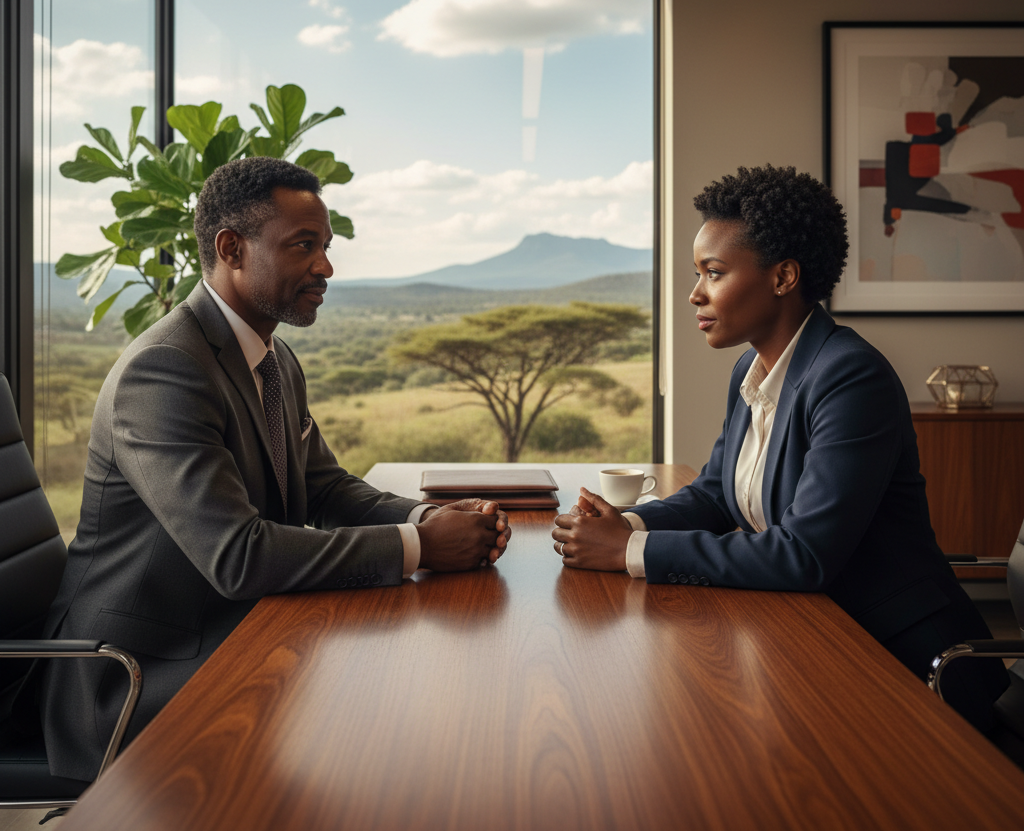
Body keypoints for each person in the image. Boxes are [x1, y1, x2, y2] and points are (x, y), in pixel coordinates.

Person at [35, 156, 511, 781]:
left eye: (326, 246)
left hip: (235, 628)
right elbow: (239, 556)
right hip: (131, 674)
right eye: (303, 246)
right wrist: (420, 547)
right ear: (231, 249)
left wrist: (429, 518)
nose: (326, 267)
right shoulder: (165, 370)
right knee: (377, 725)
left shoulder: (273, 357)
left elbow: (324, 486)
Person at [551, 164, 1007, 731]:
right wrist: (626, 523)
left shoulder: (850, 377)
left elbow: (804, 554)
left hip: (902, 662)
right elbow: (716, 495)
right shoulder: (753, 367)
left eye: (713, 273)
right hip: (816, 631)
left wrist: (628, 551)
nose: (695, 293)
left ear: (783, 277)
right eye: (698, 274)